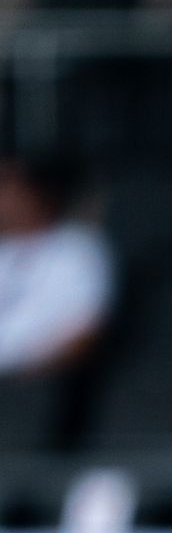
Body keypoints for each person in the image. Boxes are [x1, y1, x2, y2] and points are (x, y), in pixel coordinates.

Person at [0, 155, 114, 379]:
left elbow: (86, 333)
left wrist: (30, 378)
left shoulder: (79, 249)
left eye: (7, 188)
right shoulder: (5, 250)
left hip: (34, 385)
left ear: (36, 192)